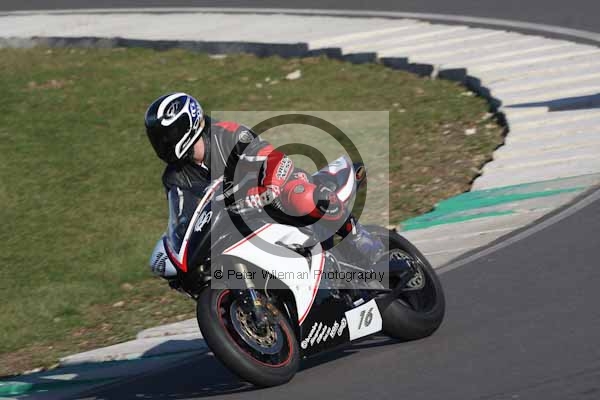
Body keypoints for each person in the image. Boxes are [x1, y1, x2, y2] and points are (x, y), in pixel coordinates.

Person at [145, 92, 384, 275]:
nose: (163, 143)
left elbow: (270, 156)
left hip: (273, 189)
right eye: (158, 138)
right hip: (234, 220)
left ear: (189, 125)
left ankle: (359, 239)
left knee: (300, 196)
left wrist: (269, 188)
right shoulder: (175, 177)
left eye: (168, 135)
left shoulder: (224, 134)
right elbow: (183, 218)